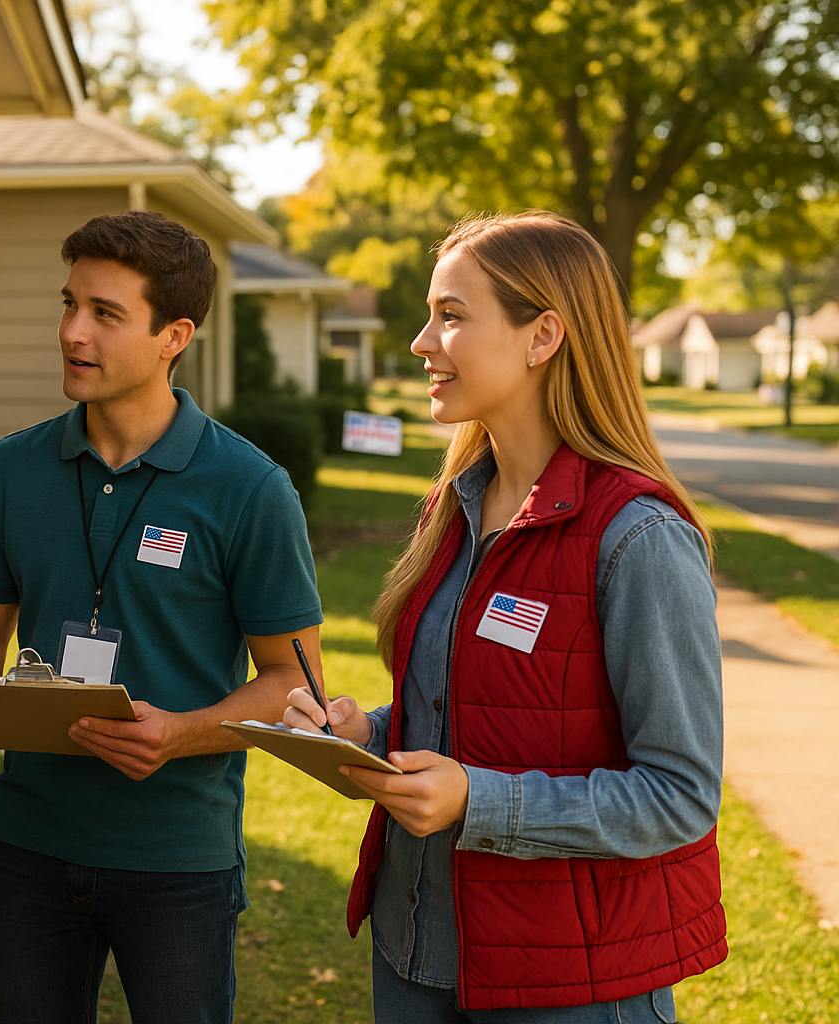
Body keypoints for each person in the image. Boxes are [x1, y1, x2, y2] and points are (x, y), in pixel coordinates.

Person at [285, 212, 726, 1021]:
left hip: (566, 986)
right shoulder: (452, 510)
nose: (422, 342)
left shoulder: (640, 540)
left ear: (542, 336)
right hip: (416, 955)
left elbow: (680, 794)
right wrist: (370, 736)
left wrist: (478, 801)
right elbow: (476, 715)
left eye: (451, 316)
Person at [0, 211, 324, 1023]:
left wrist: (179, 733)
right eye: (69, 304)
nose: (73, 331)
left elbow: (294, 685)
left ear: (174, 335)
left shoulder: (250, 489)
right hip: (28, 845)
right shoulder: (11, 467)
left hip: (176, 856)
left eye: (105, 314)